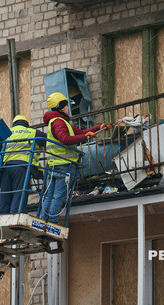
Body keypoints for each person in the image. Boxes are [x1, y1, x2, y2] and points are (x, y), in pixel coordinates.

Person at [40, 92, 112, 224]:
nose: (69, 108)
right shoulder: (58, 122)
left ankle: (42, 221)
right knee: (58, 196)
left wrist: (99, 127)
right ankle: (51, 222)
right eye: (67, 106)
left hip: (55, 165)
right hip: (64, 165)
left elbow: (81, 132)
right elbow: (65, 139)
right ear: (61, 108)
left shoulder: (57, 122)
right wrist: (86, 137)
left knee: (50, 196)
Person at [0, 115, 47, 214]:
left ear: (13, 124)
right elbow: (48, 141)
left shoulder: (6, 133)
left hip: (5, 168)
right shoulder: (33, 132)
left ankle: (3, 217)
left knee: (5, 195)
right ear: (26, 124)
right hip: (21, 167)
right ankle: (16, 215)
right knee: (19, 194)